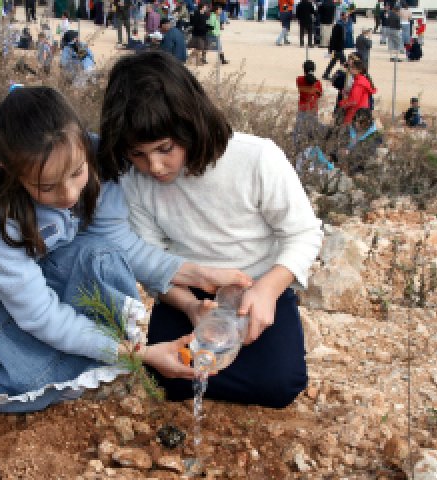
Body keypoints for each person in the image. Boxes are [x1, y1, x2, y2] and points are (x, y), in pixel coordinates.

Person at [0, 86, 252, 413]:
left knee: (101, 261)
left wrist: (200, 276)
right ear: (10, 172)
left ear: (82, 143)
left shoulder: (93, 157)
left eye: (77, 174)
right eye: (47, 187)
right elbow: (38, 313)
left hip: (33, 266)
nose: (70, 194)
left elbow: (117, 243)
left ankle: (98, 351)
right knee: (33, 377)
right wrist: (140, 355)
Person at [97, 50, 323, 408]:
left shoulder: (256, 158)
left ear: (191, 123)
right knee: (166, 378)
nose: (154, 166)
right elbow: (152, 260)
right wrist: (189, 306)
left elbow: (303, 234)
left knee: (280, 385)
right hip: (184, 292)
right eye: (137, 154)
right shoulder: (134, 180)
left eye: (165, 149)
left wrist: (268, 289)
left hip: (257, 290)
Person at [332, 108, 384, 174]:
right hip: (344, 159)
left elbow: (364, 152)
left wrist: (349, 153)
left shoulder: (374, 136)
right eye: (355, 121)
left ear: (367, 122)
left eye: (360, 122)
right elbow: (339, 139)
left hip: (361, 163)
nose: (357, 125)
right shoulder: (349, 128)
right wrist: (341, 148)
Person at [338, 57, 376, 125]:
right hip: (360, 111)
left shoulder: (359, 83)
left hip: (355, 112)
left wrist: (342, 103)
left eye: (352, 68)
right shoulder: (362, 80)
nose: (350, 69)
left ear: (358, 70)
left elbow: (354, 101)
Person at [295, 60, 324, 148]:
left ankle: (297, 147)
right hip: (312, 109)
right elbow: (319, 95)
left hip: (302, 108)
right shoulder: (317, 83)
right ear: (314, 69)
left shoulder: (299, 80)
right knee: (312, 131)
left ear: (304, 69)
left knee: (299, 130)